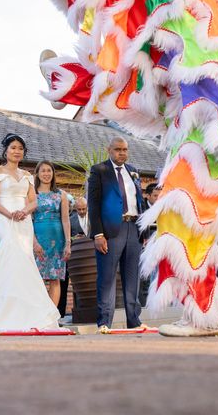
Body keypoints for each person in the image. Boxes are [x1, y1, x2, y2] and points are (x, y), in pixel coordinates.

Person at [0, 134, 60, 332]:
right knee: (10, 254)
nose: (17, 151)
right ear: (6, 151)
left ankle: (27, 311)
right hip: (4, 217)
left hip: (24, 220)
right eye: (13, 147)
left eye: (20, 148)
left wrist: (24, 211)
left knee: (25, 259)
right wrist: (9, 214)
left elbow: (34, 200)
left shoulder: (26, 175)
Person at [88, 136, 144, 332]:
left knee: (132, 277)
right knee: (107, 278)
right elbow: (93, 205)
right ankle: (104, 323)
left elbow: (139, 201)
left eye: (125, 150)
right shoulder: (99, 170)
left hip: (133, 228)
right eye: (118, 149)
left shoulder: (133, 171)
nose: (122, 153)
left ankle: (134, 322)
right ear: (109, 150)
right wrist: (97, 234)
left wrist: (143, 231)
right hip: (111, 231)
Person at [33, 160, 71, 306]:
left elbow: (66, 220)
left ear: (53, 173)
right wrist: (34, 243)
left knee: (55, 278)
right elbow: (28, 222)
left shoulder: (61, 194)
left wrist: (68, 244)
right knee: (38, 278)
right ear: (37, 174)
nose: (46, 174)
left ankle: (52, 317)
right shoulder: (31, 195)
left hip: (58, 241)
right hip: (38, 240)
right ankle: (40, 315)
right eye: (43, 170)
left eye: (49, 170)